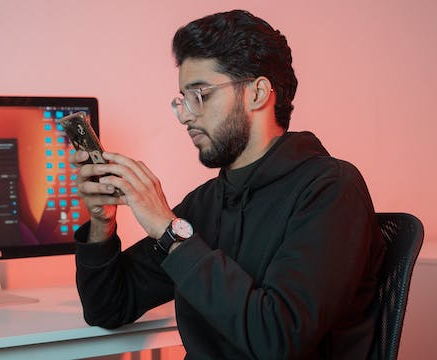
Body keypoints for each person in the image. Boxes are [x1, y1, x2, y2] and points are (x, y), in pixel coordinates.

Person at [70, 9, 385, 359]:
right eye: (182, 100)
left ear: (257, 93)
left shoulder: (331, 190)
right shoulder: (207, 203)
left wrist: (167, 228)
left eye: (200, 94)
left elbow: (277, 338)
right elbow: (107, 307)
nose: (186, 115)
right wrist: (102, 221)